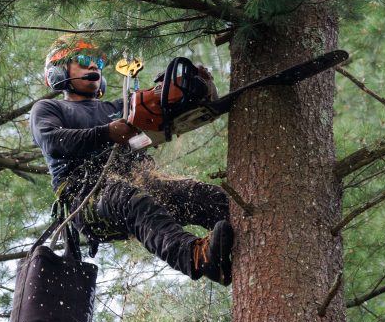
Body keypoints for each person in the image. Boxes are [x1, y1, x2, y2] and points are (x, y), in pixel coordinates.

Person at [29, 35, 234, 285]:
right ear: (60, 70)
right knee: (129, 197)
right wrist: (107, 133)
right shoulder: (50, 109)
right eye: (83, 61)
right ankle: (196, 257)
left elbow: (152, 107)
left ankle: (249, 227)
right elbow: (52, 140)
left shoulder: (119, 107)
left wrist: (186, 88)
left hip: (138, 184)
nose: (93, 66)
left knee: (196, 193)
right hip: (87, 199)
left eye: (96, 62)